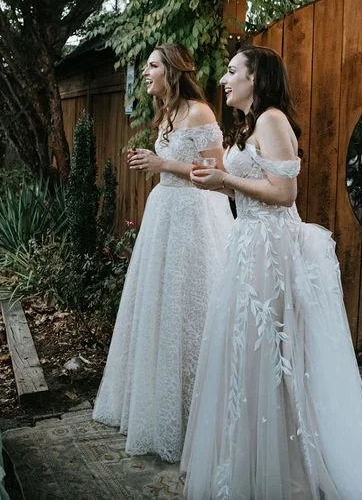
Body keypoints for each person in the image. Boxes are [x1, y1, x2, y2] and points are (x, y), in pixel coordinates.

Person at [183, 46, 362, 499]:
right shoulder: (248, 125)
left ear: (256, 78)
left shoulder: (272, 120)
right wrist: (218, 181)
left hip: (271, 247)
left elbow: (285, 193)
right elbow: (250, 187)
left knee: (273, 349)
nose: (224, 80)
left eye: (232, 71)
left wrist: (225, 180)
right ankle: (247, 456)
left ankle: (289, 464)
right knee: (245, 346)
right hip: (247, 242)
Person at [92, 44, 234, 462]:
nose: (145, 72)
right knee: (158, 309)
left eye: (152, 65)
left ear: (172, 71)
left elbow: (218, 174)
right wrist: (156, 163)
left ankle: (197, 413)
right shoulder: (167, 113)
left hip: (194, 217)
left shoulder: (200, 112)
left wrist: (163, 164)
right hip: (164, 214)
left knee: (190, 309)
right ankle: (157, 407)